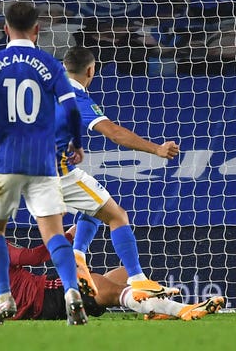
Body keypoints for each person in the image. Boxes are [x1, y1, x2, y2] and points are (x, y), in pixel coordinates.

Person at [0, 1, 87, 326]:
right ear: (37, 30)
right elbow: (71, 110)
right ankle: (72, 290)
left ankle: (4, 297)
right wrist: (76, 143)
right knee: (53, 234)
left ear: (4, 29)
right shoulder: (50, 64)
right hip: (43, 160)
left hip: (3, 160)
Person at [0, 213, 226, 322]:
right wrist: (64, 237)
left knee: (121, 275)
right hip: (44, 300)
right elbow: (34, 258)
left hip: (30, 308)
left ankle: (151, 308)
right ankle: (180, 309)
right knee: (97, 283)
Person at [56, 46, 180, 300]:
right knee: (117, 216)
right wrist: (157, 149)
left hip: (19, 169)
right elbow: (113, 132)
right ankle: (137, 281)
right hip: (55, 171)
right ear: (91, 71)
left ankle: (78, 255)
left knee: (93, 204)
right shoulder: (76, 97)